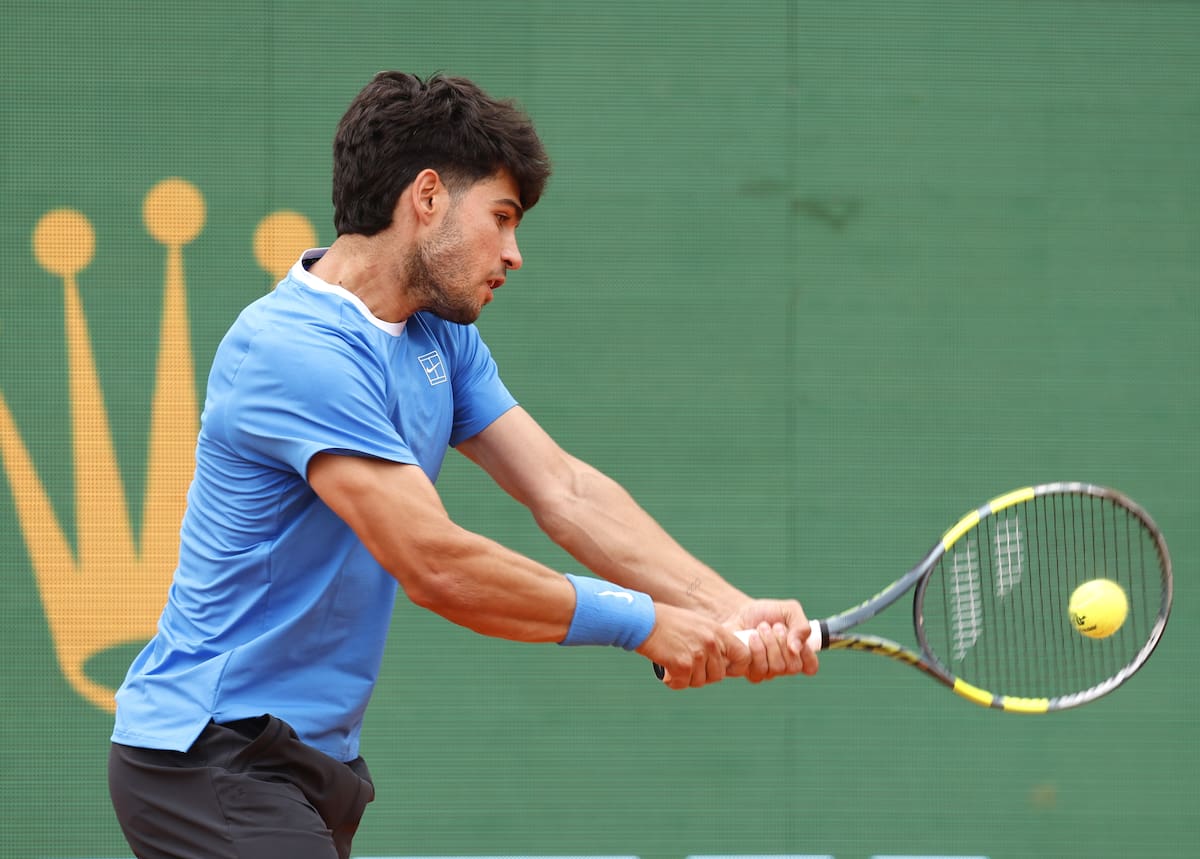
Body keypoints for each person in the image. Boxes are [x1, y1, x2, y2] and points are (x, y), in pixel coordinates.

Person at [107, 71, 819, 859]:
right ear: (427, 197)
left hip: (315, 767)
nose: (514, 255)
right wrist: (643, 622)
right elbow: (434, 561)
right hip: (209, 756)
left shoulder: (436, 335)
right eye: (502, 218)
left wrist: (727, 609)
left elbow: (566, 489)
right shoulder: (293, 351)